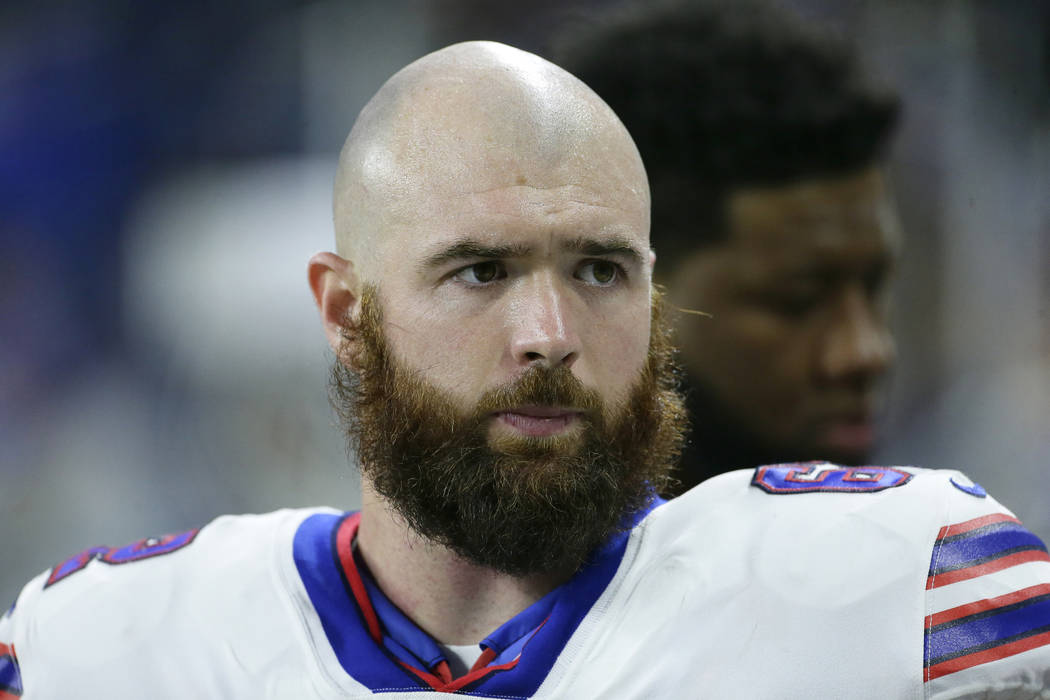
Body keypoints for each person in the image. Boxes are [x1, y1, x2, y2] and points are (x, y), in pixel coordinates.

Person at [2, 41, 1049, 699]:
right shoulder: (96, 651)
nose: (549, 330)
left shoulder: (910, 589)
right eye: (480, 270)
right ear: (344, 311)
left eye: (600, 268)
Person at [556, 0, 903, 492]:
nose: (866, 352)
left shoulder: (919, 556)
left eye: (874, 287)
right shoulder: (477, 561)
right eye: (797, 302)